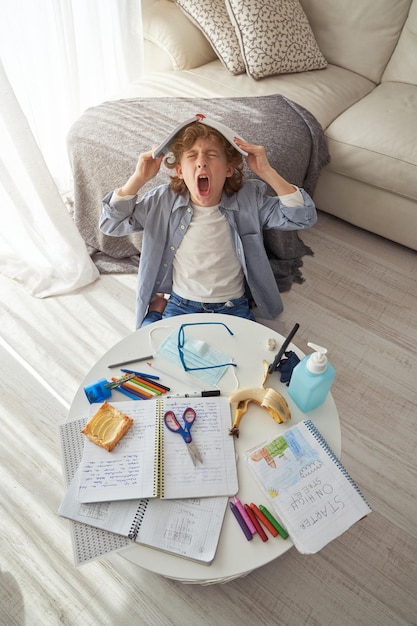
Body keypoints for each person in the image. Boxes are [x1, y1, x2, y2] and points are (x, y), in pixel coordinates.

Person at [100, 117, 317, 328]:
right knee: (158, 354)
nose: (202, 161)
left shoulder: (249, 199)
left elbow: (302, 217)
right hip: (181, 303)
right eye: (192, 156)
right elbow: (112, 224)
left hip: (233, 305)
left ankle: (157, 312)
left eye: (211, 155)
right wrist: (138, 179)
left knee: (248, 360)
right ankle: (156, 312)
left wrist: (266, 172)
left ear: (228, 169)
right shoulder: (161, 201)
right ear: (180, 171)